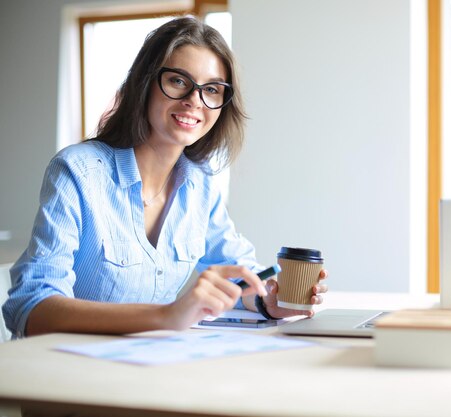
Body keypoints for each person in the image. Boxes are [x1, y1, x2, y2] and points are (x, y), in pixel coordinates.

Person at [2, 15, 328, 338]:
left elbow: (240, 276)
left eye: (211, 89)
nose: (193, 100)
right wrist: (168, 315)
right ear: (144, 83)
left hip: (149, 367)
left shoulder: (198, 184)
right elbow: (32, 308)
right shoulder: (79, 171)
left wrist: (269, 300)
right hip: (67, 372)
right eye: (177, 81)